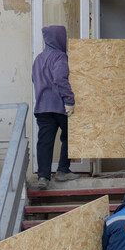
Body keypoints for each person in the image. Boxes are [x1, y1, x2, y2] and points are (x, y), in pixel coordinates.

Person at [31, 24, 78, 191]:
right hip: (59, 106)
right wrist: (69, 100)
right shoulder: (60, 57)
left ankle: (43, 177)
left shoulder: (38, 59)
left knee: (45, 141)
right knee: (69, 136)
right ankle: (62, 170)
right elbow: (60, 79)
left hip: (42, 107)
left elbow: (34, 80)